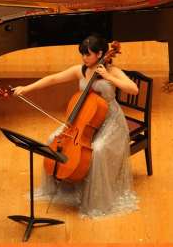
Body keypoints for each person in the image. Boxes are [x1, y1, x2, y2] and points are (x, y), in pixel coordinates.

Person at [13, 34, 139, 218]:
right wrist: (26, 88)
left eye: (88, 54)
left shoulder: (113, 71)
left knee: (97, 150)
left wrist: (108, 77)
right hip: (84, 119)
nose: (84, 58)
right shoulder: (81, 70)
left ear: (100, 54)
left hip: (110, 121)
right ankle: (64, 185)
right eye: (82, 54)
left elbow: (133, 89)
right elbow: (53, 79)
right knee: (52, 139)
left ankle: (96, 198)